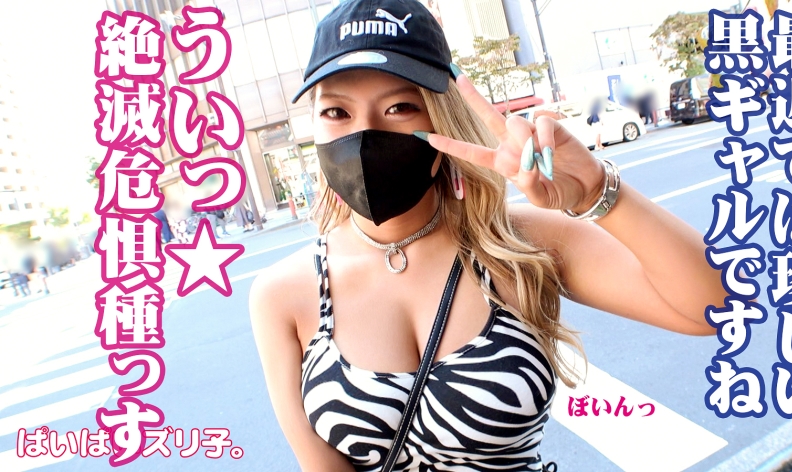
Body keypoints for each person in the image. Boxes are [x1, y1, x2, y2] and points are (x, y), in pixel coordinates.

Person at [248, 1, 726, 471]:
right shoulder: (282, 295)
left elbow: (718, 308)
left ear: (441, 118)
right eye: (336, 112)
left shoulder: (520, 243)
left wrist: (597, 191)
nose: (365, 133)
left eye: (399, 107)